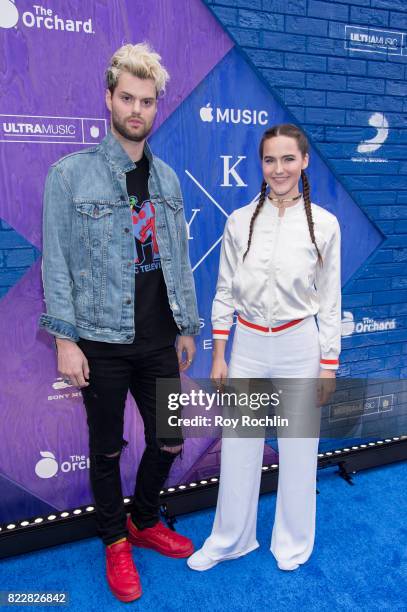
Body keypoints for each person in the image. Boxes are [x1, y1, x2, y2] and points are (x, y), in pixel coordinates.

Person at [39, 42, 200, 602]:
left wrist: (187, 326)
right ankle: (114, 541)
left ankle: (144, 519)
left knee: (170, 441)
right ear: (109, 99)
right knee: (106, 449)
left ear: (157, 108)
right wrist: (65, 339)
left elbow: (177, 256)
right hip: (100, 341)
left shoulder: (170, 181)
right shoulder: (69, 176)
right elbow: (55, 261)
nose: (137, 109)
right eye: (127, 98)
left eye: (147, 101)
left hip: (160, 336)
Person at [187, 123, 341, 572]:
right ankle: (231, 539)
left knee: (298, 449)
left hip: (300, 344)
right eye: (270, 160)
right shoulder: (238, 221)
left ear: (305, 161)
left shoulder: (326, 226)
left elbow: (330, 301)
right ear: (261, 164)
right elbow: (224, 292)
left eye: (288, 159)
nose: (279, 169)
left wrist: (328, 365)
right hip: (249, 344)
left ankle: (293, 543)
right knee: (239, 446)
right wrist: (219, 351)